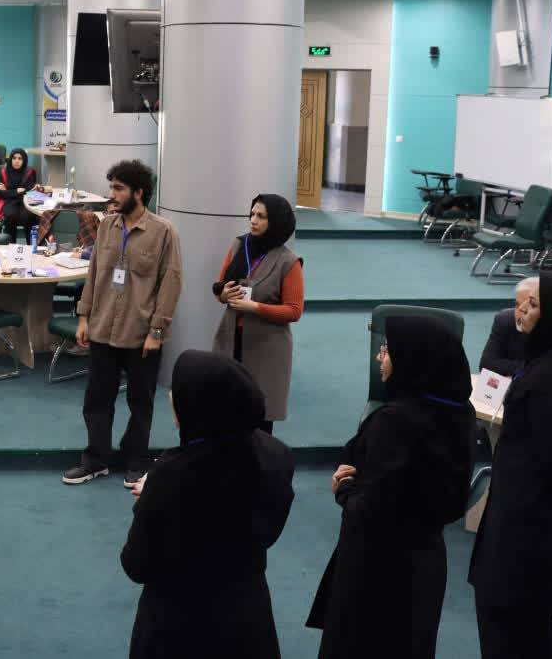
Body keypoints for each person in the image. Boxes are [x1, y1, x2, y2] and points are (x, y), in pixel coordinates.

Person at [307, 315, 475, 659]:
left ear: (411, 358)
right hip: (426, 560)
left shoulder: (395, 422)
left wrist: (344, 490)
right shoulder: (459, 412)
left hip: (377, 565)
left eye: (386, 350)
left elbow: (373, 506)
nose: (379, 357)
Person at [121, 351, 294, 659]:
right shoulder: (275, 454)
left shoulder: (170, 477)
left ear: (199, 404)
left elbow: (136, 564)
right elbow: (267, 529)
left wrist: (153, 495)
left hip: (179, 623)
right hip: (247, 615)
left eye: (177, 390)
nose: (171, 396)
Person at [469, 273, 552, 659]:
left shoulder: (550, 385)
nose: (520, 310)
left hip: (523, 540)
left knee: (512, 635)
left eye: (534, 304)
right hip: (524, 530)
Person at [64, 159, 183, 487]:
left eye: (118, 188)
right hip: (102, 328)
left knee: (140, 402)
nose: (111, 194)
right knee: (96, 399)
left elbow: (171, 284)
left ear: (138, 192)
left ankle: (136, 460)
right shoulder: (106, 226)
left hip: (141, 333)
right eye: (111, 187)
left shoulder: (163, 232)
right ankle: (96, 459)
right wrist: (84, 317)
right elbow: (94, 274)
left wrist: (156, 332)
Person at [211, 194, 305, 433]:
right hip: (230, 340)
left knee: (259, 420)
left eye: (261, 216)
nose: (253, 220)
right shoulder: (239, 245)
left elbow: (294, 311)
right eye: (252, 214)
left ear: (276, 221)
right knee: (225, 412)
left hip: (266, 347)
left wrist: (255, 308)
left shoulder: (289, 261)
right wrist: (224, 295)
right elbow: (220, 288)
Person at [477, 275, 535, 377]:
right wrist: (531, 368)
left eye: (529, 306)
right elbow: (487, 365)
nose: (520, 311)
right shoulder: (505, 320)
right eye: (517, 304)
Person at [0, 147, 40, 239]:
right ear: (10, 159)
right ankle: (10, 244)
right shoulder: (3, 171)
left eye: (20, 158)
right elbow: (1, 194)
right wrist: (17, 191)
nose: (16, 161)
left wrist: (8, 191)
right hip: (9, 202)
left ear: (24, 160)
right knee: (10, 215)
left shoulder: (30, 172)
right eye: (14, 158)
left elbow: (30, 191)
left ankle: (31, 245)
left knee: (28, 216)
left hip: (25, 201)